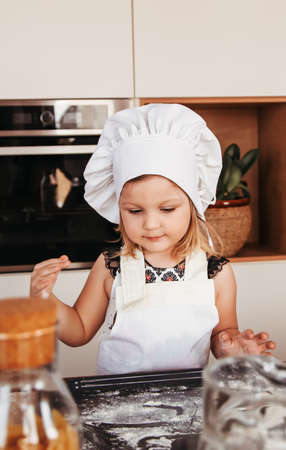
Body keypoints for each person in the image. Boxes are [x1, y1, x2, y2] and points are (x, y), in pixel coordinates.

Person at [30, 103, 276, 375]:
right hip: (119, 401)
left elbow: (222, 336)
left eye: (167, 209)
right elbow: (78, 331)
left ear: (193, 205)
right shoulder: (112, 265)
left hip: (188, 403)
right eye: (134, 211)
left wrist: (233, 346)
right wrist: (44, 298)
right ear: (119, 208)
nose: (150, 223)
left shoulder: (216, 272)